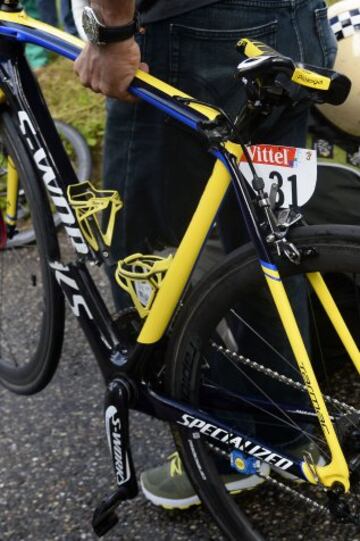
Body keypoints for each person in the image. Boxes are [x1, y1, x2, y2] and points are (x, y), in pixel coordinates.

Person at [75, 0, 338, 510]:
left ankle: (227, 445)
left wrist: (112, 31)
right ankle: (286, 428)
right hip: (295, 22)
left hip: (191, 32)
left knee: (142, 256)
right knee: (266, 247)